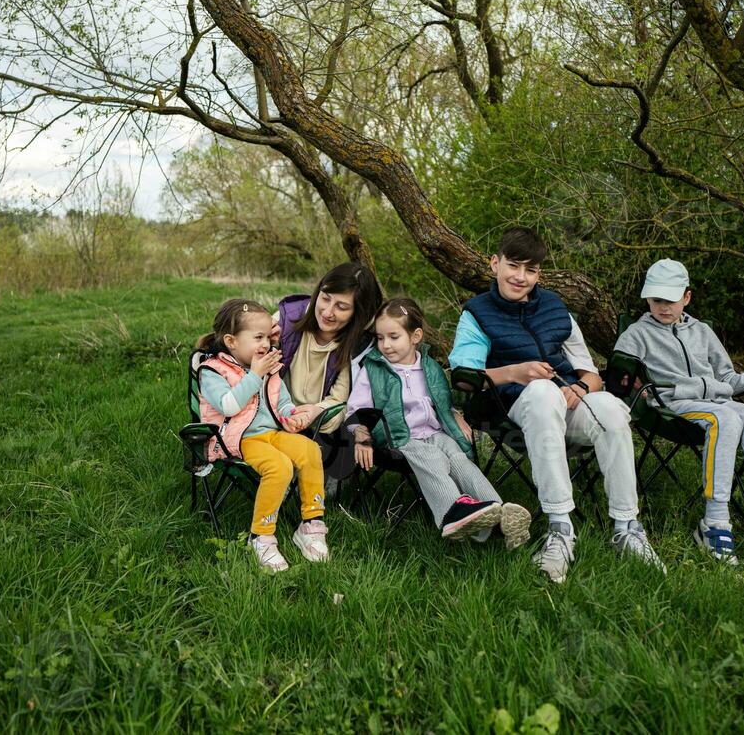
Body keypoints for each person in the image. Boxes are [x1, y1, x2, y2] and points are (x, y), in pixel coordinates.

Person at [449, 227, 664, 583]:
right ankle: (560, 528)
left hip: (567, 404)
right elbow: (463, 377)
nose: (520, 277)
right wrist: (516, 372)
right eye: (513, 266)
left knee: (609, 406)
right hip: (513, 407)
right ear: (494, 264)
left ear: (539, 274)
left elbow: (592, 373)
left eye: (530, 270)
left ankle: (627, 527)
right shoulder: (477, 312)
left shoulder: (555, 308)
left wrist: (581, 388)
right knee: (542, 392)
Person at [613, 258, 744, 571]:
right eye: (657, 300)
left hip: (716, 399)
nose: (664, 307)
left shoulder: (703, 331)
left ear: (687, 297)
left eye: (671, 300)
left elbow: (730, 380)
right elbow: (620, 380)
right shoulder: (636, 334)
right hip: (671, 406)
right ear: (647, 298)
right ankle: (715, 522)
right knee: (724, 419)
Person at [346, 297, 533, 547]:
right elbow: (356, 409)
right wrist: (362, 437)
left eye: (393, 337)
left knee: (458, 458)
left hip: (434, 432)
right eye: (380, 338)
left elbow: (442, 400)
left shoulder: (430, 367)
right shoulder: (373, 369)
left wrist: (454, 414)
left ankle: (498, 512)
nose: (385, 345)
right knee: (433, 458)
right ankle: (452, 513)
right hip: (398, 436)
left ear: (415, 336)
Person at [196, 298, 329, 573]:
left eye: (268, 336)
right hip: (237, 440)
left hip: (270, 433)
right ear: (231, 341)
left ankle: (310, 525)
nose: (266, 343)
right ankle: (262, 537)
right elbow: (229, 406)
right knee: (278, 466)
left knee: (309, 449)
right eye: (258, 337)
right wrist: (255, 375)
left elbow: (281, 400)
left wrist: (292, 415)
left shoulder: (267, 367)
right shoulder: (211, 371)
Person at [272, 263, 384, 479]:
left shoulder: (359, 348)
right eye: (325, 298)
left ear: (358, 313)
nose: (328, 312)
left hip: (322, 426)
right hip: (276, 414)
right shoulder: (288, 319)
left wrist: (316, 411)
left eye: (342, 307)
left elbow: (341, 402)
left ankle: (322, 472)